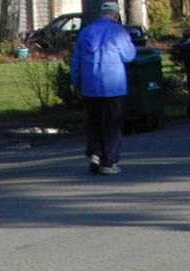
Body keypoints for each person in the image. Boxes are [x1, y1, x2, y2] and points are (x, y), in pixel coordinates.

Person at [71, 1, 137, 175]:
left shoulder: (86, 32)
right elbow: (129, 56)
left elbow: (76, 61)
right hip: (113, 85)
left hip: (90, 84)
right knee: (112, 124)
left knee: (94, 121)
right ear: (115, 15)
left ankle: (95, 153)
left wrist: (76, 82)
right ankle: (109, 162)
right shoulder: (118, 31)